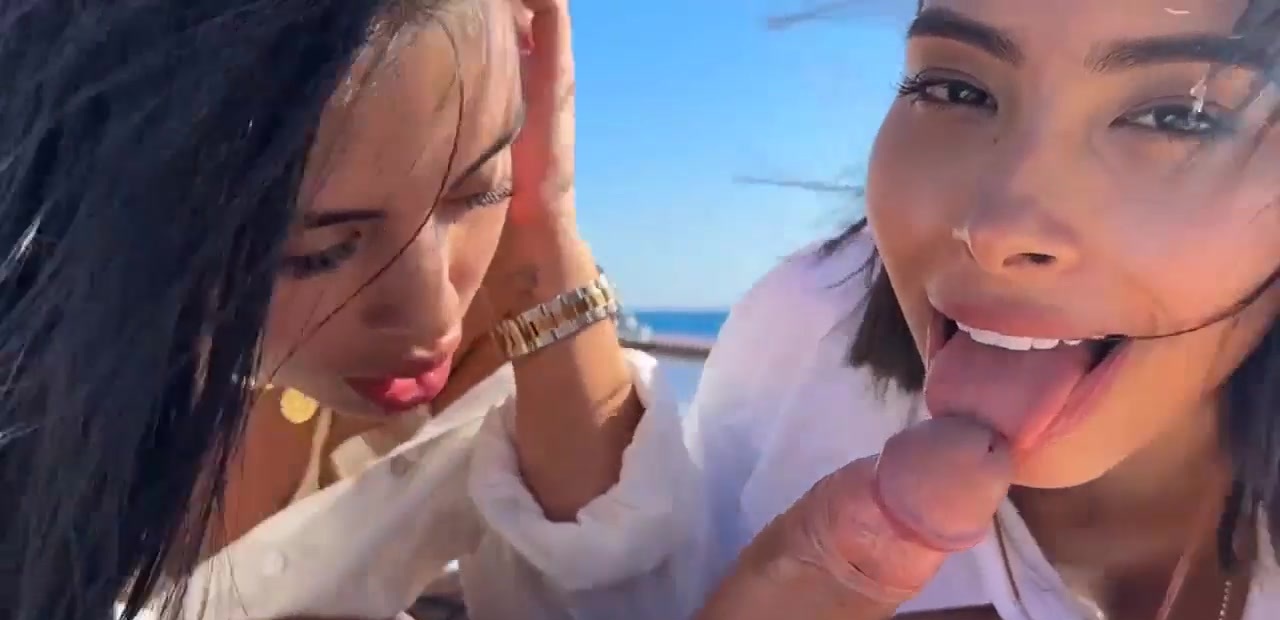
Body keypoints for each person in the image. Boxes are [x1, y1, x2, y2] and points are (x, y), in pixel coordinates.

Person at [456, 1, 1280, 619]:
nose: (997, 229)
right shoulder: (811, 331)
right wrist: (538, 237)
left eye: (1179, 118)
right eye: (956, 88)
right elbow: (637, 594)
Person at [0, 1, 683, 619]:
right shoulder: (30, 393)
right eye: (318, 251)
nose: (432, 317)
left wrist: (544, 222)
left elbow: (623, 585)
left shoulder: (505, 326)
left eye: (477, 191)